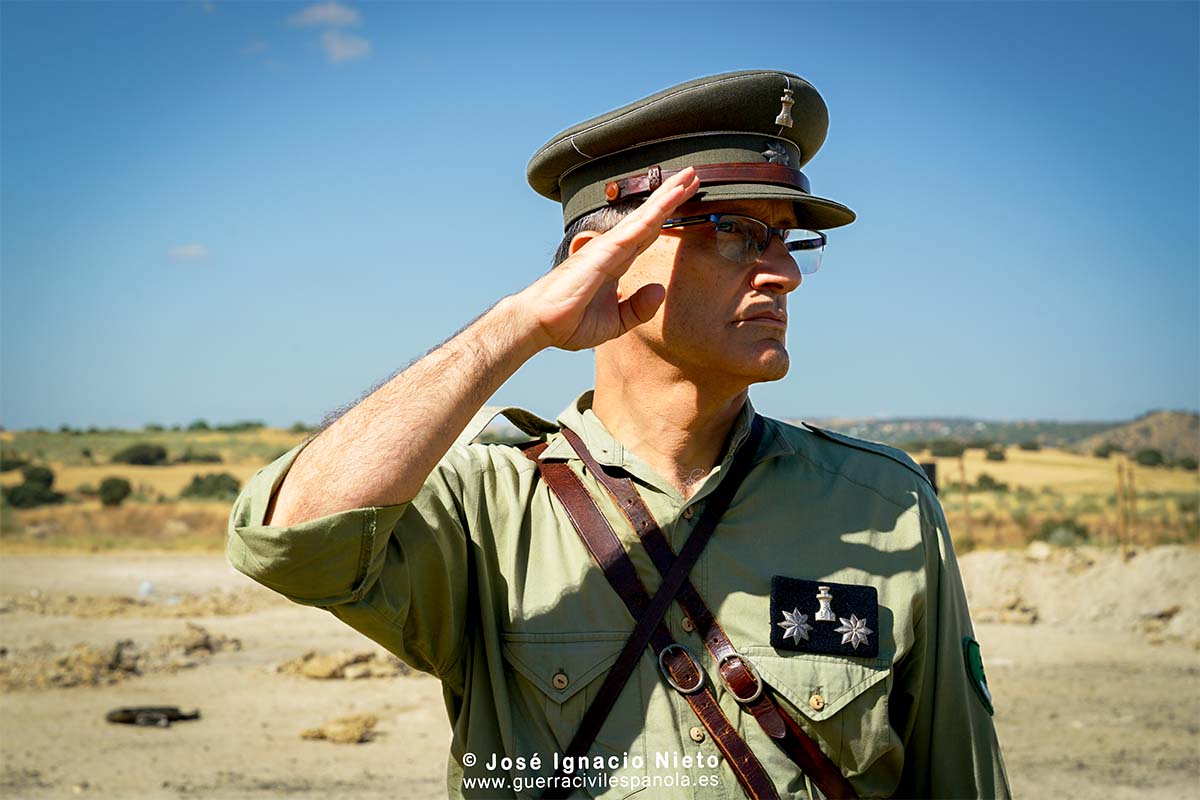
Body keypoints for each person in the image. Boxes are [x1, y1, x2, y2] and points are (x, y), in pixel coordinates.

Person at [227, 70, 1010, 799]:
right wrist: (517, 327)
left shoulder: (881, 503)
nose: (785, 273)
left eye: (787, 240)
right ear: (600, 262)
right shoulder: (490, 507)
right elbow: (292, 542)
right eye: (735, 231)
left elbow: (958, 778)